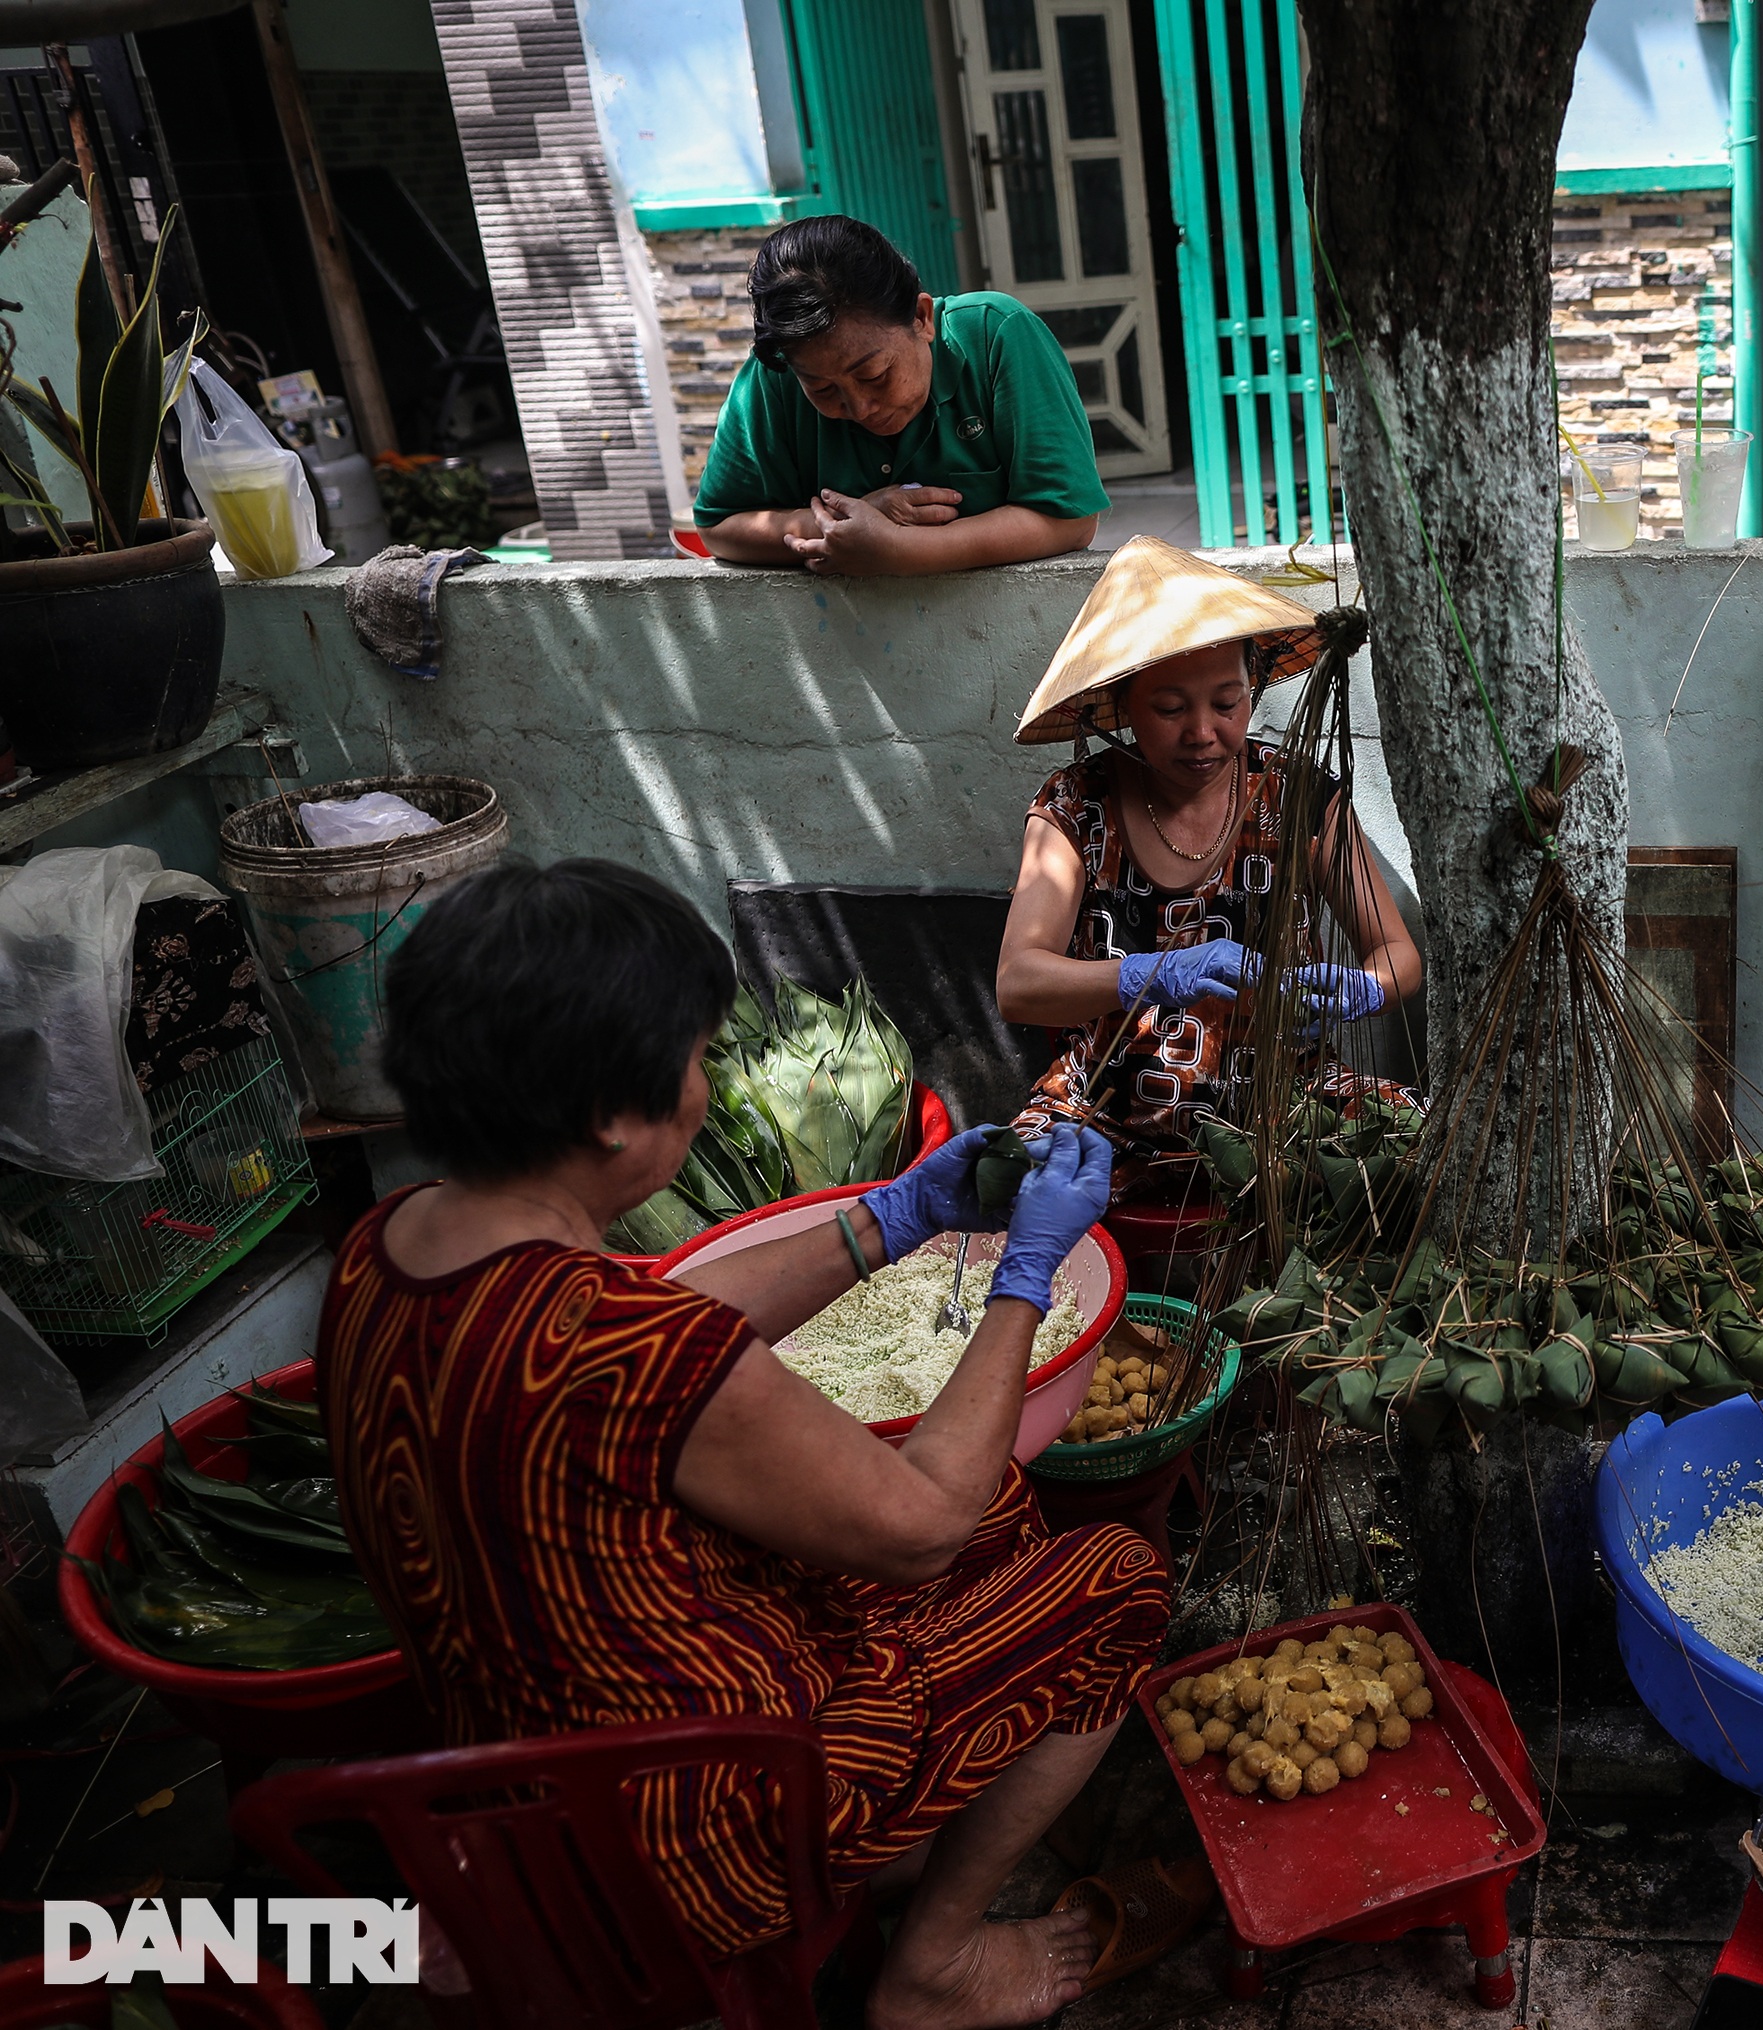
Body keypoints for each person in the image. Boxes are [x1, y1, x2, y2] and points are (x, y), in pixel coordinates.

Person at [319, 856, 1159, 2030]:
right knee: (1112, 1579)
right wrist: (1023, 1277)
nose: (706, 1086)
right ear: (614, 1115)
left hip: (516, 1774)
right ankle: (931, 1965)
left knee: (1009, 1520)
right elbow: (919, 1528)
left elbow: (657, 1327)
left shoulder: (388, 1245)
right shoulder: (635, 1352)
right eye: (695, 1061)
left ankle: (911, 1837)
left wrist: (894, 1215)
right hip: (698, 1828)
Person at [997, 537, 1422, 1185]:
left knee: (1428, 1150)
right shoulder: (1077, 804)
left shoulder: (1297, 793)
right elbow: (1019, 986)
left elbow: (1397, 953)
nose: (1202, 731)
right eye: (1169, 709)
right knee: (1011, 1185)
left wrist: (1364, 989)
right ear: (1123, 705)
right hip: (1106, 1112)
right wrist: (1157, 971)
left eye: (1227, 703)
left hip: (1289, 1102)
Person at [694, 214, 1106, 575]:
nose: (859, 407)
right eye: (822, 389)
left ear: (922, 318)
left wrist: (898, 549)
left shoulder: (996, 335)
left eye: (874, 375)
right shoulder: (775, 376)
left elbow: (1071, 520)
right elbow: (719, 528)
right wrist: (841, 523)